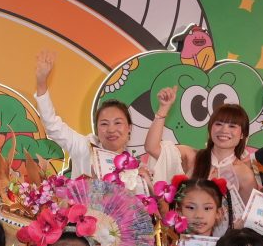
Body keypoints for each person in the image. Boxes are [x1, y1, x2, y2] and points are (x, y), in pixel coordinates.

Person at [33, 51, 180, 192]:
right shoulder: (84, 148)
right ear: (97, 129)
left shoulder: (136, 168)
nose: (111, 129)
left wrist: (147, 184)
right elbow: (52, 125)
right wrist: (41, 83)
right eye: (104, 124)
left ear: (129, 128)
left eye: (118, 123)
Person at [148, 99, 257, 204]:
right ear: (210, 128)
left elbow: (250, 214)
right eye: (218, 124)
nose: (224, 130)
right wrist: (163, 108)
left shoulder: (245, 175)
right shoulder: (192, 157)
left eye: (232, 126)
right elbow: (152, 148)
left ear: (242, 134)